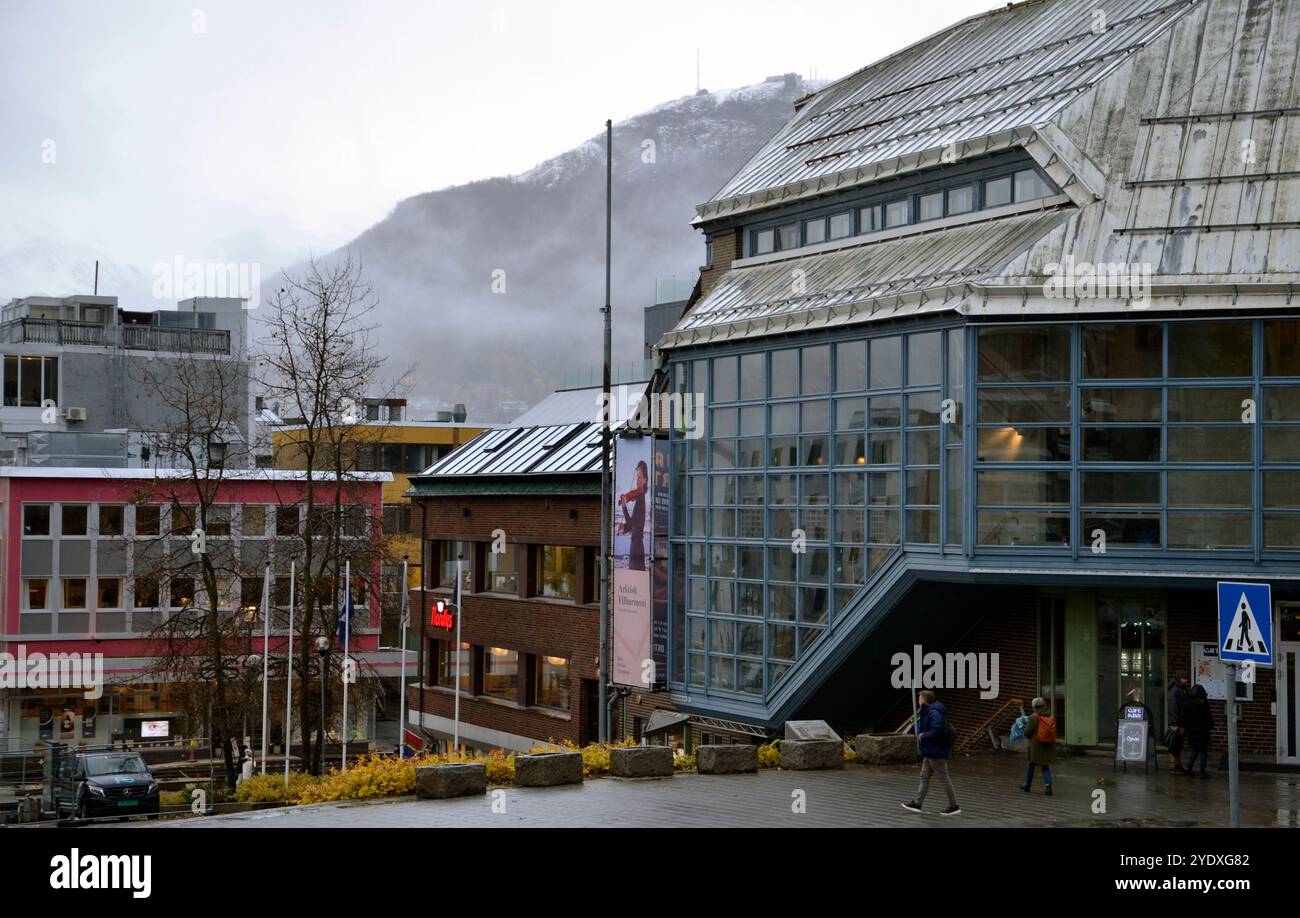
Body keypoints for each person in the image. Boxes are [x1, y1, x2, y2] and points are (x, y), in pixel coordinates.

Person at [901, 690, 961, 816]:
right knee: (924, 776)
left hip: (936, 750)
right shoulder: (930, 710)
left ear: (924, 700)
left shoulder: (933, 712)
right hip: (930, 750)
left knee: (944, 778)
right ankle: (917, 803)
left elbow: (937, 729)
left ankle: (953, 805)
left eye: (919, 699)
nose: (918, 701)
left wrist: (924, 735)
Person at [1019, 697, 1057, 795]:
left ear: (1035, 706)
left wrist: (1025, 732)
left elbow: (1027, 732)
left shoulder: (1034, 717)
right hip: (1048, 744)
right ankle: (1048, 786)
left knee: (1031, 765)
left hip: (1036, 745)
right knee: (1045, 766)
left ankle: (1027, 785)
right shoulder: (1049, 716)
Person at [617, 460, 648, 572]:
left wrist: (624, 507)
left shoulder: (640, 499)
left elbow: (631, 524)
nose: (637, 480)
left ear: (645, 480)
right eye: (637, 476)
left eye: (640, 477)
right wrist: (624, 528)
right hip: (636, 545)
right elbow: (633, 526)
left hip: (636, 547)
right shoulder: (640, 498)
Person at [1182, 683, 1213, 778]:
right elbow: (1208, 717)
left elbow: (1184, 717)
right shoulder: (1203, 703)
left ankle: (1189, 768)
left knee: (1195, 750)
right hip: (1203, 730)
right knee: (1203, 751)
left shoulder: (1187, 702)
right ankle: (1202, 771)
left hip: (1192, 730)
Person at [1167, 673, 1190, 773]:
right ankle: (1174, 765)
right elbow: (1174, 707)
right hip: (1177, 722)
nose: (1186, 681)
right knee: (1174, 743)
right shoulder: (1176, 690)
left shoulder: (1180, 689)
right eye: (1184, 678)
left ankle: (1177, 764)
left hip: (1181, 721)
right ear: (1179, 679)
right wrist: (1175, 722)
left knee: (1178, 744)